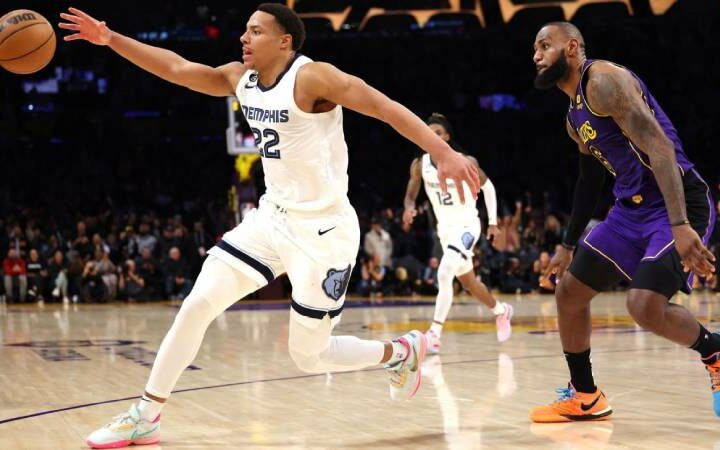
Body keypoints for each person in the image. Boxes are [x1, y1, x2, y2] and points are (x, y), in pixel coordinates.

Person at [59, 4, 480, 448]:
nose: (244, 38)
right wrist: (111, 39)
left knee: (310, 357)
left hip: (323, 232)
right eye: (245, 30)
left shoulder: (312, 77)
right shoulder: (240, 78)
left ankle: (400, 351)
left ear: (284, 41)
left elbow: (384, 107)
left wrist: (443, 153)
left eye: (255, 31)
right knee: (197, 304)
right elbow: (177, 68)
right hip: (270, 218)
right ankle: (146, 415)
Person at [530, 22, 717, 423]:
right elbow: (589, 181)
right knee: (569, 292)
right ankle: (586, 396)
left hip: (677, 201)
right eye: (535, 49)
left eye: (545, 45)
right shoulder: (573, 117)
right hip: (630, 211)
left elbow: (660, 146)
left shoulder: (603, 81)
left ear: (572, 47)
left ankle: (714, 351)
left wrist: (680, 224)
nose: (537, 55)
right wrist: (566, 245)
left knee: (644, 304)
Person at [403, 113, 514, 352]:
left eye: (438, 133)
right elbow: (411, 195)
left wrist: (492, 223)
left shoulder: (465, 161)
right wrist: (409, 208)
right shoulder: (420, 165)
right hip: (445, 231)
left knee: (444, 273)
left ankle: (434, 333)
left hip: (468, 226)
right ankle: (501, 311)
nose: (434, 136)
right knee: (470, 283)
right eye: (430, 133)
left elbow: (488, 187)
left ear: (447, 136)